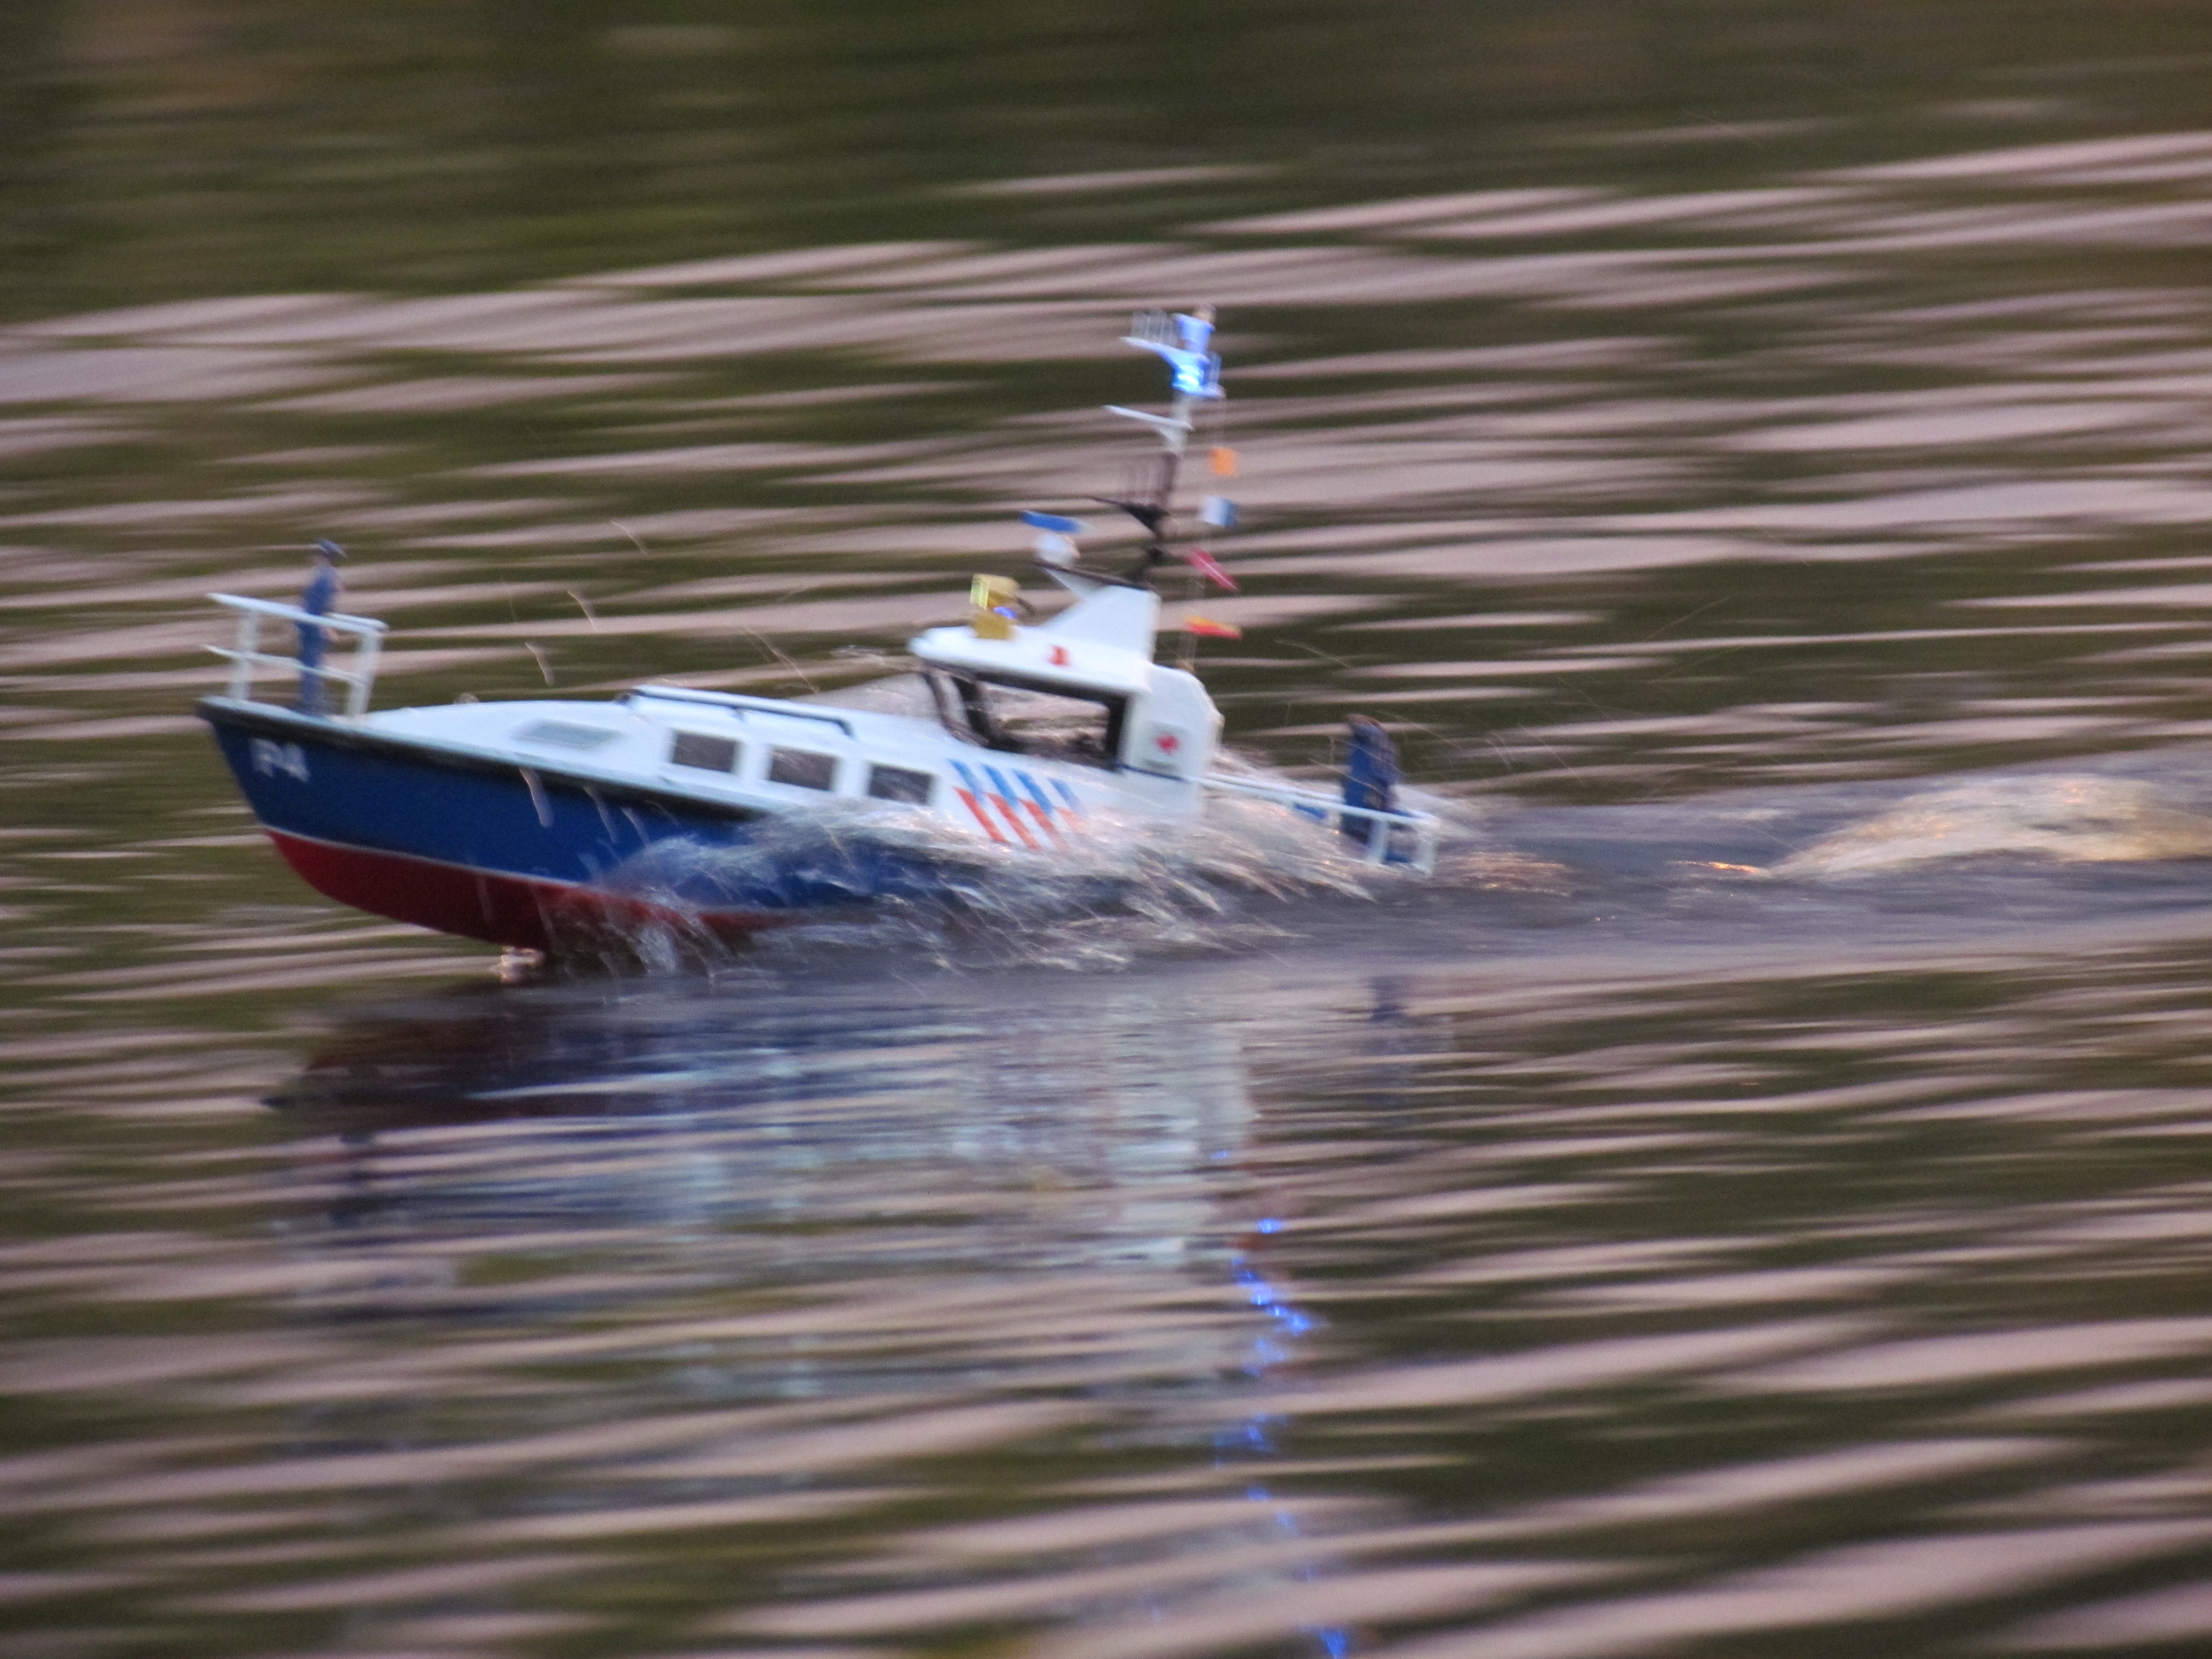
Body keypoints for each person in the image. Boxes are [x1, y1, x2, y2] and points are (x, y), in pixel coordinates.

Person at [295, 539, 344, 714]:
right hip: (314, 627)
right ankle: (312, 702)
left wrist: (302, 624)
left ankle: (311, 704)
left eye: (316, 553)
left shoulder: (325, 577)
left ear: (323, 556)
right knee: (311, 664)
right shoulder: (328, 575)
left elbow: (317, 606)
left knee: (311, 664)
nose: (313, 557)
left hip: (314, 629)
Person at [1341, 713, 1399, 845]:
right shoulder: (1387, 746)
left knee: (1357, 831)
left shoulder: (1368, 738)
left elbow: (1352, 722)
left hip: (1362, 807)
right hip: (1378, 802)